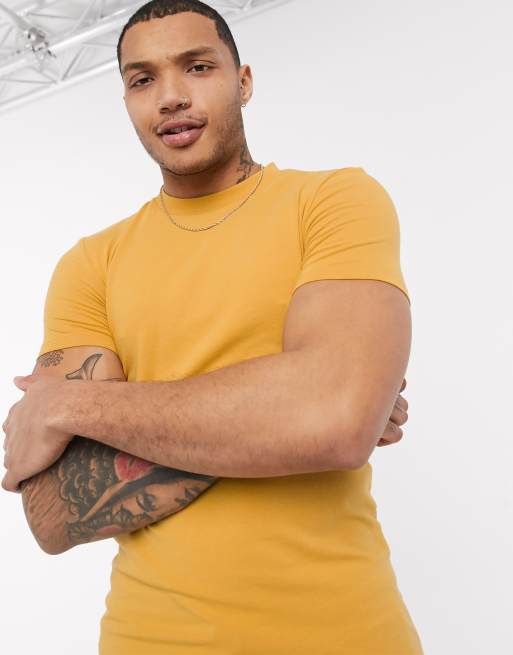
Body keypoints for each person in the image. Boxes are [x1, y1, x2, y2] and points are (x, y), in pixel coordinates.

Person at [2, 0, 424, 653]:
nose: (170, 96)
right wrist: (294, 408)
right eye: (142, 79)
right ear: (126, 102)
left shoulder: (332, 201)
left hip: (346, 633)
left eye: (197, 67)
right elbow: (55, 512)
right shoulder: (91, 264)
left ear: (243, 81)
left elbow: (337, 420)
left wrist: (72, 406)